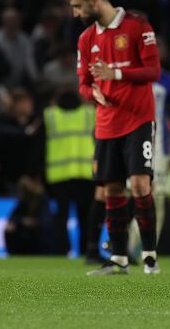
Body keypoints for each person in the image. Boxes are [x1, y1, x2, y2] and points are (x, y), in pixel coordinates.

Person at [69, 0, 162, 275]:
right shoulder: (86, 39)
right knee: (112, 189)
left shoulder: (137, 27)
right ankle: (119, 259)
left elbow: (153, 71)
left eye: (78, 6)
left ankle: (149, 257)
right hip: (107, 124)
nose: (75, 13)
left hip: (138, 119)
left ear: (95, 1)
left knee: (140, 184)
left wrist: (116, 74)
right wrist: (92, 93)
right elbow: (83, 83)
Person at [129, 54, 170, 259]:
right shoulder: (128, 76)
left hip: (160, 150)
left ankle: (145, 248)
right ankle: (127, 244)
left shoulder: (167, 80)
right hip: (134, 144)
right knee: (135, 195)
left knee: (157, 199)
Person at [40, 89, 96, 256]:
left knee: (61, 215)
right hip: (84, 173)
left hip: (58, 175)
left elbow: (38, 144)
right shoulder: (89, 114)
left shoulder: (50, 115)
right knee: (85, 215)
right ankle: (86, 249)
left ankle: (61, 251)